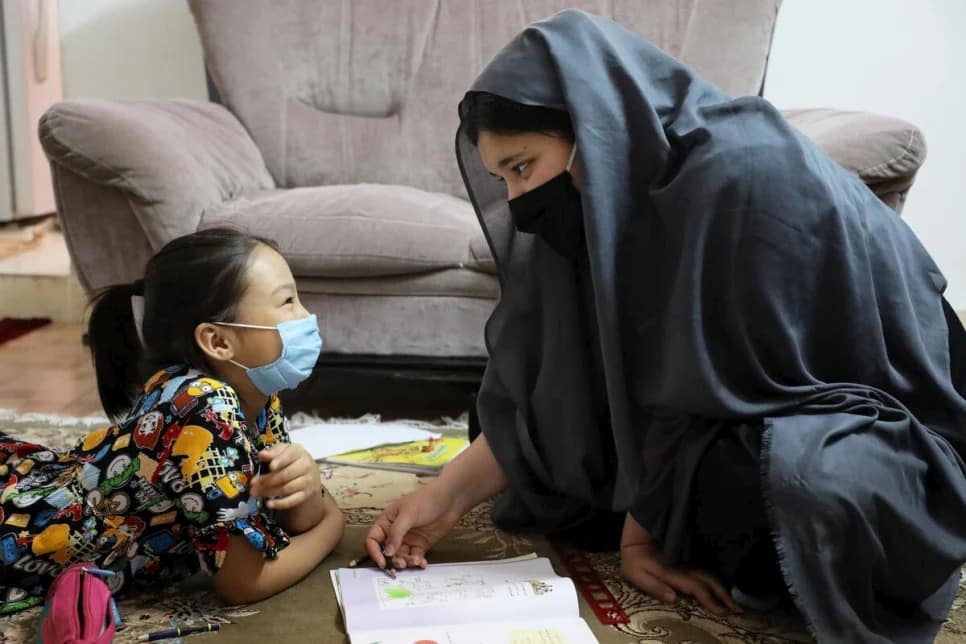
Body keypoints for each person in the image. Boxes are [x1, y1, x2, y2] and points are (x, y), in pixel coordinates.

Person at [364, 10, 966, 643]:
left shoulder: (741, 170)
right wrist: (445, 498)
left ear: (593, 127)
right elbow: (564, 379)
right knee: (520, 425)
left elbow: (724, 383)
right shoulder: (596, 196)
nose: (517, 201)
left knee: (779, 489)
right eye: (502, 179)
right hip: (729, 405)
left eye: (523, 167)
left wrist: (640, 533)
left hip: (873, 410)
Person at [0, 228, 344, 614]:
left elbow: (289, 514)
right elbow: (245, 581)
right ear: (217, 342)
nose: (306, 316)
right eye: (287, 301)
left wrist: (307, 486)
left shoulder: (255, 388)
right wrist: (333, 526)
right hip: (22, 539)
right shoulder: (204, 407)